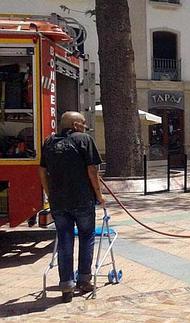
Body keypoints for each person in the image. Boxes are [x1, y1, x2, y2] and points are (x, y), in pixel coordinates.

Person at [38, 111, 105, 303]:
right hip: (82, 200)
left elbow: (42, 171)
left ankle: (66, 286)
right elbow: (92, 170)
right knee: (86, 238)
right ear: (75, 125)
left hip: (59, 202)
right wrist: (99, 195)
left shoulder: (49, 142)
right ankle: (84, 280)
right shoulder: (84, 139)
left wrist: (49, 194)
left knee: (65, 242)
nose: (85, 126)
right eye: (83, 123)